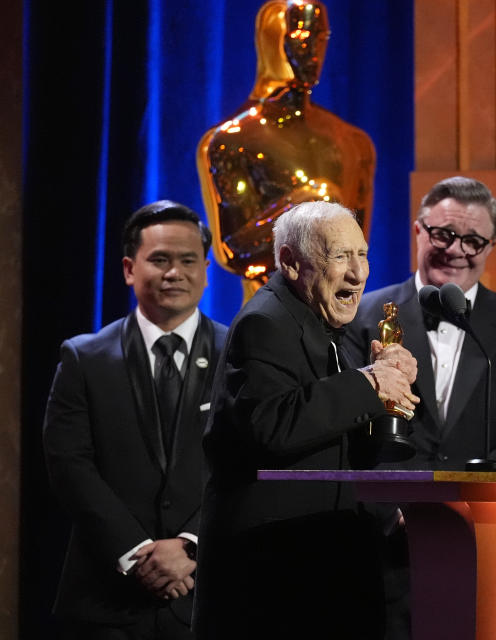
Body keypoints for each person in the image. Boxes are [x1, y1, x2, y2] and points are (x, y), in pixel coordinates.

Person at [194, 201, 418, 639]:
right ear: (291, 264)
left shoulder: (326, 325)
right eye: (340, 256)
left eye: (363, 254)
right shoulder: (265, 323)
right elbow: (271, 426)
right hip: (274, 578)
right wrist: (369, 386)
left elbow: (336, 439)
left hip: (326, 565)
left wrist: (391, 392)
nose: (359, 273)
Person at [344, 176, 496, 638]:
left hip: (478, 545)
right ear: (418, 231)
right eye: (443, 234)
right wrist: (390, 508)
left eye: (474, 240)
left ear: (492, 245)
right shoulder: (364, 318)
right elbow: (345, 432)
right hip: (382, 546)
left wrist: (466, 507)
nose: (457, 249)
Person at [43, 201, 228, 639]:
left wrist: (190, 546)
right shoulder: (84, 357)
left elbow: (249, 462)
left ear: (205, 269)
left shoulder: (238, 355)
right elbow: (69, 465)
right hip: (107, 601)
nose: (174, 273)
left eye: (187, 261)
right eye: (159, 260)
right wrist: (138, 552)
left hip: (211, 596)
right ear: (129, 268)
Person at [196, 0, 375, 297]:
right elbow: (233, 251)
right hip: (265, 315)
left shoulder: (353, 143)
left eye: (321, 38)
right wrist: (309, 204)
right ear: (273, 39)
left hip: (336, 323)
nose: (314, 51)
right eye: (303, 36)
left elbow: (357, 253)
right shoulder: (231, 140)